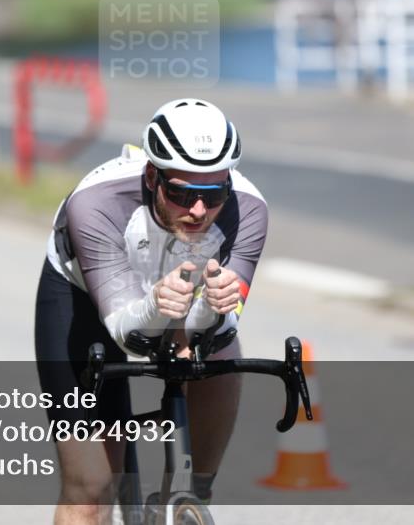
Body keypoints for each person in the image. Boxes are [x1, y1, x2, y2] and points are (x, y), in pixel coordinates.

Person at [35, 99, 268, 524]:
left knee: (218, 359)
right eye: (181, 193)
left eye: (214, 194)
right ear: (151, 175)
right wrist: (158, 306)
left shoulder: (249, 208)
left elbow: (221, 323)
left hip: (179, 295)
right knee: (90, 490)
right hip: (85, 297)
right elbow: (127, 332)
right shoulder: (96, 202)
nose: (198, 210)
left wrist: (208, 309)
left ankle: (182, 502)